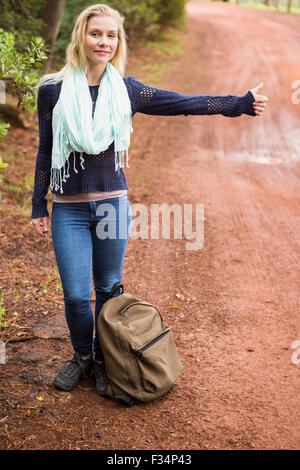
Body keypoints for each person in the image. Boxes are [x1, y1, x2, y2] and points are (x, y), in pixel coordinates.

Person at [30, 3, 268, 395]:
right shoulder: (52, 90)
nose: (103, 41)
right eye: (96, 34)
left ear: (118, 41)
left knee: (108, 289)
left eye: (111, 35)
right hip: (68, 209)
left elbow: (182, 102)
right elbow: (45, 150)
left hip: (111, 206)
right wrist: (40, 204)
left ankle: (108, 360)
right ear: (81, 37)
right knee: (75, 295)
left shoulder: (127, 91)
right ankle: (82, 359)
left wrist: (237, 104)